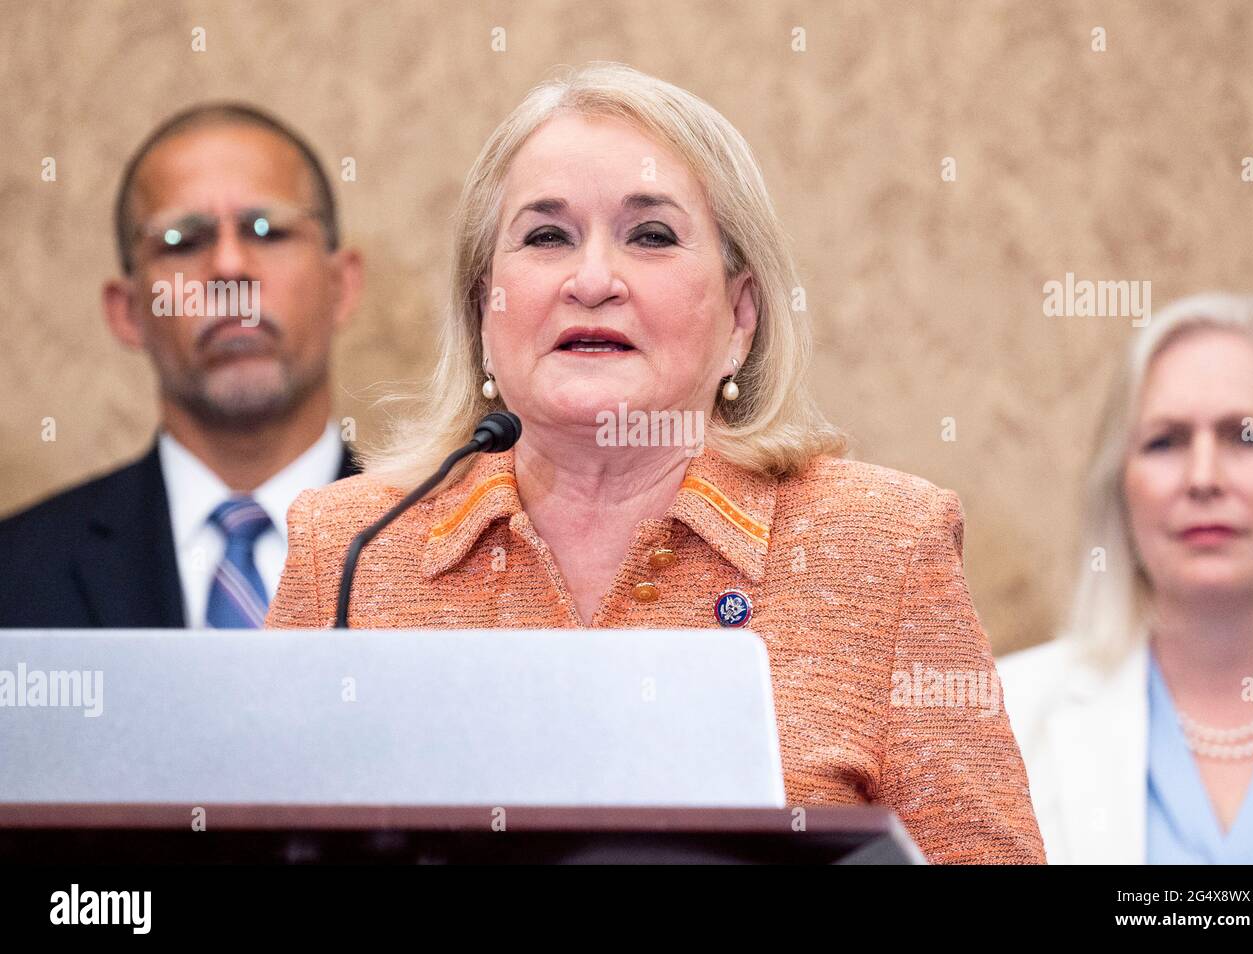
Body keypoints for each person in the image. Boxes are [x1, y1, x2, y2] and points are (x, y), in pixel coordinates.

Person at [266, 62, 1043, 863]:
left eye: (652, 236)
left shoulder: (884, 547)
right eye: (546, 236)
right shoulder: (351, 550)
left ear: (740, 318)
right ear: (482, 314)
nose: (593, 280)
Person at [0, 103, 364, 629]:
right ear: (126, 312)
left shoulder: (448, 555)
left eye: (267, 231)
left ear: (341, 287)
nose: (229, 268)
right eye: (182, 241)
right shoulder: (16, 576)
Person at [999, 293, 1253, 864]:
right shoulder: (1003, 714)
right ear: (1119, 484)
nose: (1203, 477)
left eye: (1247, 436)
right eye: (1165, 441)